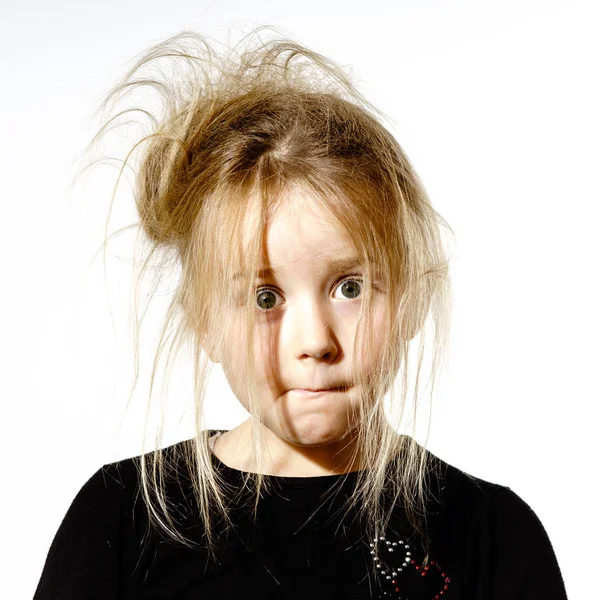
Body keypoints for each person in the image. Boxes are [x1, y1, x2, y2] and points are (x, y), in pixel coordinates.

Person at [33, 29, 569, 599]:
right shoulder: (124, 519)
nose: (314, 341)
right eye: (266, 297)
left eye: (350, 288)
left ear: (410, 298)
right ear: (204, 320)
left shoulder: (491, 533)